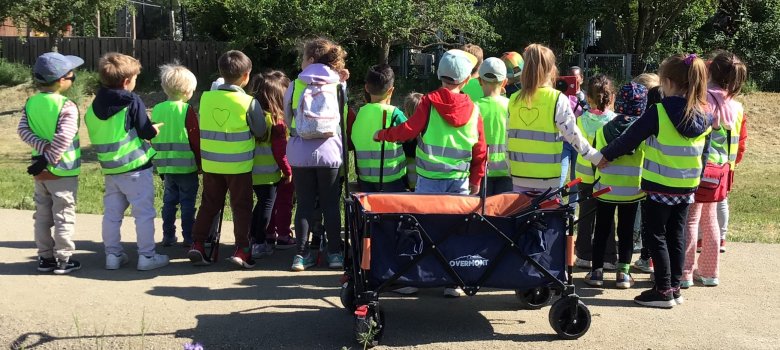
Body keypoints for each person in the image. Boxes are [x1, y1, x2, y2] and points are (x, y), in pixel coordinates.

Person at [600, 53, 711, 308]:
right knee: (676, 235)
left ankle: (662, 291)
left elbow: (630, 138)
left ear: (668, 82)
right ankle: (674, 285)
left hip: (659, 186)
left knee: (656, 236)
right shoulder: (705, 115)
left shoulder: (658, 112)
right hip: (687, 187)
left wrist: (605, 155)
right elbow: (704, 152)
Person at [375, 49, 487, 298]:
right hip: (458, 183)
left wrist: (384, 135)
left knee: (422, 230)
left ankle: (417, 278)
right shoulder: (474, 109)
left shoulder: (429, 101)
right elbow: (481, 149)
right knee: (453, 231)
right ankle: (452, 282)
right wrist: (476, 179)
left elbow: (408, 130)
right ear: (467, 80)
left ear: (439, 74)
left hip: (428, 181)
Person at [85, 52, 169, 271]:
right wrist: (154, 129)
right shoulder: (132, 100)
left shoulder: (93, 107)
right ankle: (147, 257)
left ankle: (112, 255)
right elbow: (145, 131)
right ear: (126, 81)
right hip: (136, 167)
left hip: (111, 169)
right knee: (144, 214)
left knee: (112, 215)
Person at [187, 50, 268, 269]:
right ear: (246, 76)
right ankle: (242, 248)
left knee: (209, 204)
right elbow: (260, 130)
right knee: (241, 207)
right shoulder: (248, 101)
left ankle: (198, 243)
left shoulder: (206, 98)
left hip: (212, 163)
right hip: (239, 165)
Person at [681, 51, 747, 288]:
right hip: (722, 171)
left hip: (698, 168)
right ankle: (709, 272)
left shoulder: (701, 99)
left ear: (709, 71)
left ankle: (684, 272)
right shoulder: (736, 106)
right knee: (711, 221)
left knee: (690, 220)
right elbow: (740, 141)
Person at [17, 52, 84, 274]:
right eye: (71, 76)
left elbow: (23, 131)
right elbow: (64, 137)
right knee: (64, 215)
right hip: (62, 171)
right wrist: (50, 156)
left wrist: (42, 151)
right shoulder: (67, 105)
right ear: (61, 80)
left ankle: (45, 258)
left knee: (43, 216)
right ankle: (64, 259)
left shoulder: (31, 103)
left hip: (40, 171)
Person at [285, 38, 349, 272]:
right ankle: (334, 254)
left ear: (310, 59)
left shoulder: (295, 85)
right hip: (330, 152)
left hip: (301, 153)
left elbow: (287, 119)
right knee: (331, 205)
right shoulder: (338, 85)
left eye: (303, 57)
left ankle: (300, 256)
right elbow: (342, 117)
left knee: (303, 205)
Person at [507, 44, 603, 193]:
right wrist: (595, 157)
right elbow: (573, 135)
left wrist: (510, 168)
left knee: (521, 215)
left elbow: (508, 139)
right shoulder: (557, 99)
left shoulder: (513, 99)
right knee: (547, 215)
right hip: (547, 177)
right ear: (552, 69)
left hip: (519, 174)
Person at [585, 82, 648, 289]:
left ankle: (596, 272)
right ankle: (623, 274)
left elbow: (595, 159)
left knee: (602, 229)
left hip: (606, 188)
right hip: (632, 190)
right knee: (627, 231)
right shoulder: (642, 132)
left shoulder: (603, 130)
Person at [151, 64, 200, 247]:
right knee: (188, 203)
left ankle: (168, 235)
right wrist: (201, 163)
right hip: (186, 166)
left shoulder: (157, 109)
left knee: (169, 202)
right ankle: (189, 237)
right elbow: (195, 139)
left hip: (165, 165)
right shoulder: (186, 110)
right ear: (188, 91)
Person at [246, 71, 294, 258]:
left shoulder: (253, 117)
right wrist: (288, 171)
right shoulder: (277, 122)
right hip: (269, 174)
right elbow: (280, 152)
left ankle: (253, 238)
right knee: (266, 206)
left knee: (259, 206)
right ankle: (260, 242)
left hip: (251, 170)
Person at [573, 74, 618, 271]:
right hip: (607, 176)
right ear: (612, 97)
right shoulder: (616, 121)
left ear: (588, 97)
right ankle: (608, 257)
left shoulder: (580, 120)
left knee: (585, 216)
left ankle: (583, 255)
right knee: (607, 218)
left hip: (585, 176)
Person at [350, 64, 408, 192]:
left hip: (365, 180)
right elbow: (411, 135)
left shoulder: (360, 113)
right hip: (392, 178)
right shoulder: (394, 113)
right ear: (391, 90)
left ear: (366, 88)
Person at [631, 73, 662, 273]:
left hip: (642, 175)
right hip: (659, 176)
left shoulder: (644, 121)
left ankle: (641, 247)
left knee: (641, 213)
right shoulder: (664, 118)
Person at [476, 57, 512, 195]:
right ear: (504, 82)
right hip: (508, 171)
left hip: (482, 171)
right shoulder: (511, 106)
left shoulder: (474, 107)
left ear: (479, 80)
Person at [401, 92, 423, 191]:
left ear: (406, 112)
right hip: (426, 182)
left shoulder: (405, 133)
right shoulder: (428, 132)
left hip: (410, 183)